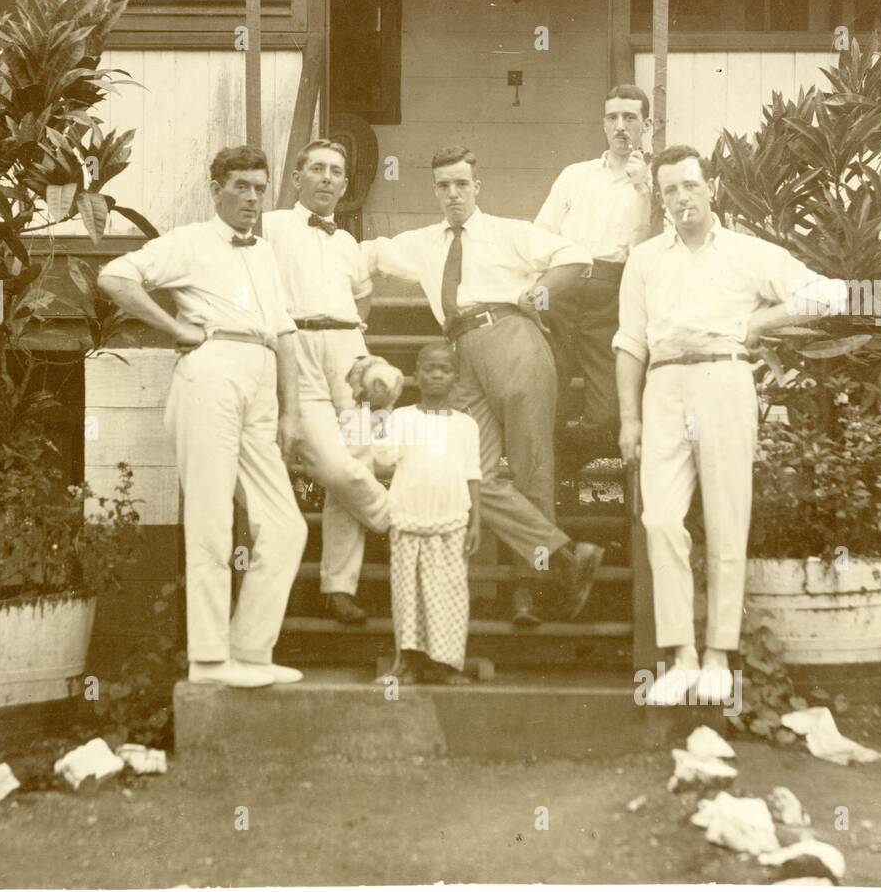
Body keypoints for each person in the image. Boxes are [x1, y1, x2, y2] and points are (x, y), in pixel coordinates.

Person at [614, 145, 846, 705]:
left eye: (690, 185)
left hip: (724, 381)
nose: (681, 198)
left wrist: (765, 318)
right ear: (661, 198)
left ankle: (718, 654)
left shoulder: (746, 253)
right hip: (664, 386)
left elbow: (830, 293)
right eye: (669, 190)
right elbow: (629, 343)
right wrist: (629, 418)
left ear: (710, 186)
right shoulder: (644, 260)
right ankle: (681, 657)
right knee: (661, 520)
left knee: (725, 517)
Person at [361, 146, 604, 626]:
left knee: (532, 469)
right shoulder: (423, 242)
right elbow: (367, 254)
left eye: (462, 184)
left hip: (513, 338)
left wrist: (540, 291)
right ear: (435, 190)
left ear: (478, 186)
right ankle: (563, 556)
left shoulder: (508, 232)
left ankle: (527, 596)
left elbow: (576, 256)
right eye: (444, 185)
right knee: (468, 471)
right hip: (459, 352)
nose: (453, 193)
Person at [97, 145, 309, 689]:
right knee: (212, 520)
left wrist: (291, 411)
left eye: (259, 187)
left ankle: (250, 652)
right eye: (240, 186)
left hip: (261, 381)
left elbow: (284, 332)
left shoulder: (263, 253)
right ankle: (210, 661)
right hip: (211, 372)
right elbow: (116, 277)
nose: (252, 197)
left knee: (285, 526)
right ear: (216, 190)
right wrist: (177, 330)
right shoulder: (189, 242)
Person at [261, 139, 390, 626]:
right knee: (335, 467)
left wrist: (354, 342)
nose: (327, 178)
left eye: (336, 171)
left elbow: (363, 298)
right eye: (317, 169)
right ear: (297, 178)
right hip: (298, 348)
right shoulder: (271, 227)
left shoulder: (348, 243)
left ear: (344, 184)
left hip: (348, 352)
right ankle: (399, 520)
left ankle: (339, 587)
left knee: (356, 460)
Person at [536, 86, 654, 471]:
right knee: (547, 395)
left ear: (646, 125)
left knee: (607, 413)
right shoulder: (575, 175)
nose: (620, 127)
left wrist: (644, 187)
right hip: (564, 285)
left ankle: (567, 467)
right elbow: (542, 232)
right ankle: (555, 485)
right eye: (612, 118)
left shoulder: (656, 185)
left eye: (630, 118)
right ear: (603, 123)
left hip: (612, 295)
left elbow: (652, 247)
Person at [373, 342, 482, 684]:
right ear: (416, 375)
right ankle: (408, 662)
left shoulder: (466, 424)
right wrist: (378, 412)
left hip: (450, 522)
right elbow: (383, 459)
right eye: (430, 368)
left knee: (449, 594)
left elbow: (472, 472)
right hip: (408, 519)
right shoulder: (401, 418)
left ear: (456, 378)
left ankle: (446, 664)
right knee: (408, 595)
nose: (437, 374)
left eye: (445, 369)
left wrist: (475, 520)